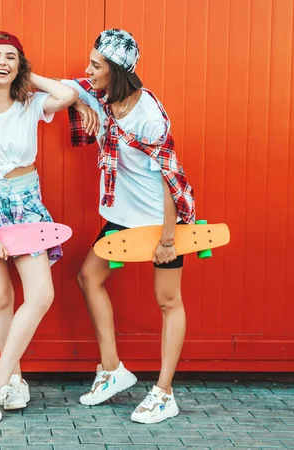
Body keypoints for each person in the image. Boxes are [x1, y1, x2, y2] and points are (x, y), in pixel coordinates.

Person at [63, 29, 196, 424]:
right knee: (88, 277)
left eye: (96, 65)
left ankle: (164, 393)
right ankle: (113, 370)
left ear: (117, 71)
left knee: (167, 301)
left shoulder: (149, 117)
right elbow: (55, 86)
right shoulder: (103, 98)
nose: (88, 70)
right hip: (122, 219)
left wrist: (169, 239)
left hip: (160, 221)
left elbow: (170, 180)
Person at [0, 31, 78, 422]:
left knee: (40, 293)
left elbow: (68, 95)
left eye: (11, 57)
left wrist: (29, 75)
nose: (2, 62)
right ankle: (14, 381)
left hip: (27, 203)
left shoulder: (30, 104)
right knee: (1, 297)